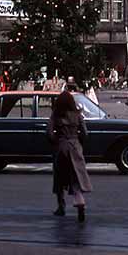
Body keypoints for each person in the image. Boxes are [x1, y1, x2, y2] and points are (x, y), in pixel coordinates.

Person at [48, 86, 92, 222]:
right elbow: (85, 133)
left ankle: (61, 206)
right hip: (75, 146)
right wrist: (79, 143)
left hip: (61, 147)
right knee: (76, 176)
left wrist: (56, 141)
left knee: (59, 178)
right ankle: (79, 201)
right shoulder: (77, 115)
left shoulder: (56, 115)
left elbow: (49, 132)